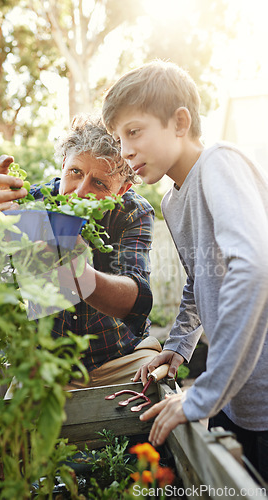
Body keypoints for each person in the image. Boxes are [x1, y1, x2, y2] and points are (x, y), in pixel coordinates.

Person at [102, 60, 268, 481]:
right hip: (234, 401)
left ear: (179, 122)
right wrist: (178, 346)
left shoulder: (219, 162)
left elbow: (252, 268)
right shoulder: (172, 202)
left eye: (133, 132)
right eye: (118, 139)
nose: (125, 152)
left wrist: (203, 396)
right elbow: (198, 279)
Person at [0, 115, 161, 390]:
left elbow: (134, 301)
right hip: (48, 366)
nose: (79, 192)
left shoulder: (133, 212)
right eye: (76, 172)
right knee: (13, 425)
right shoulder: (30, 204)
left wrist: (75, 269)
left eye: (99, 183)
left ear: (122, 189)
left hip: (122, 358)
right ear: (64, 163)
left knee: (160, 398)